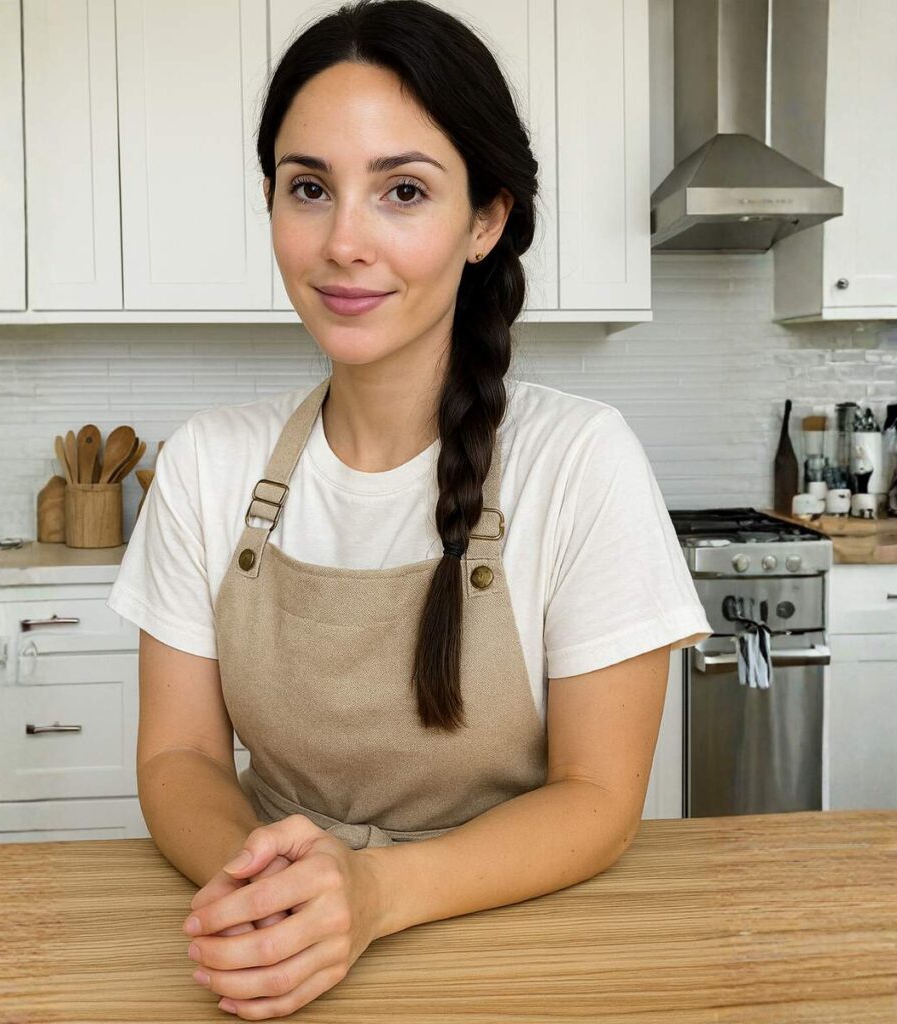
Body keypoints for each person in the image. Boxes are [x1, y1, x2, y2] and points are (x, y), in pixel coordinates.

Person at [106, 0, 714, 1017]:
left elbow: (600, 802)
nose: (344, 242)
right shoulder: (208, 465)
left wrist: (373, 893)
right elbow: (178, 760)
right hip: (272, 945)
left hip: (512, 938)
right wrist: (275, 890)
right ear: (270, 203)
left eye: (402, 190)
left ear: (486, 219)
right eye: (309, 188)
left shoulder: (579, 459)